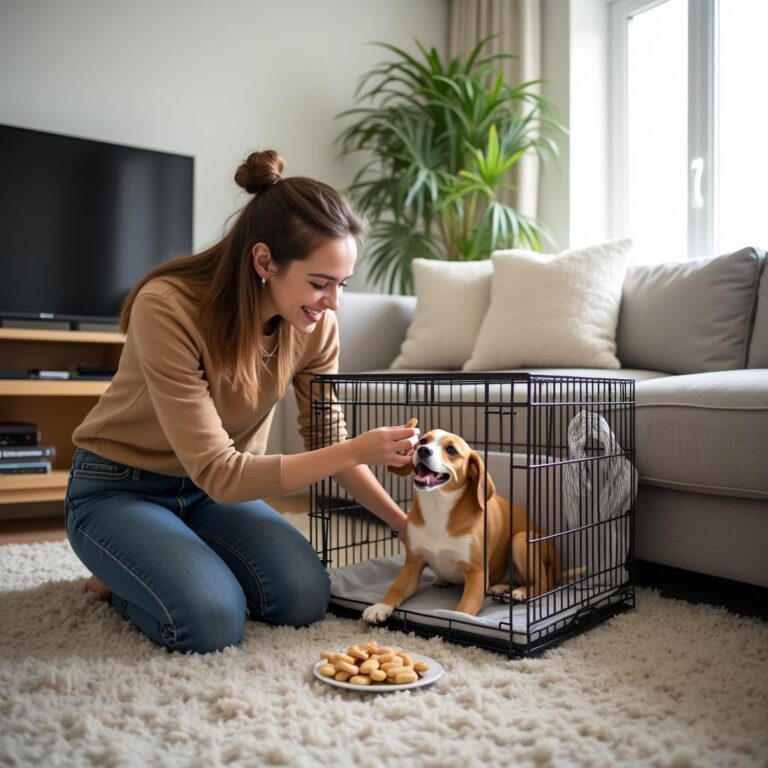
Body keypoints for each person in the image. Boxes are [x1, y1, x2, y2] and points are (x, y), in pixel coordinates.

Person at [65, 149, 419, 654]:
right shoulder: (168, 307)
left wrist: (404, 526)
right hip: (121, 489)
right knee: (210, 622)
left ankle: (178, 558)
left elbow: (326, 437)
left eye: (342, 285)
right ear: (264, 261)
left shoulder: (315, 329)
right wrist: (357, 450)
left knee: (304, 597)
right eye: (319, 284)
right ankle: (119, 578)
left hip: (213, 496)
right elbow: (222, 469)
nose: (333, 302)